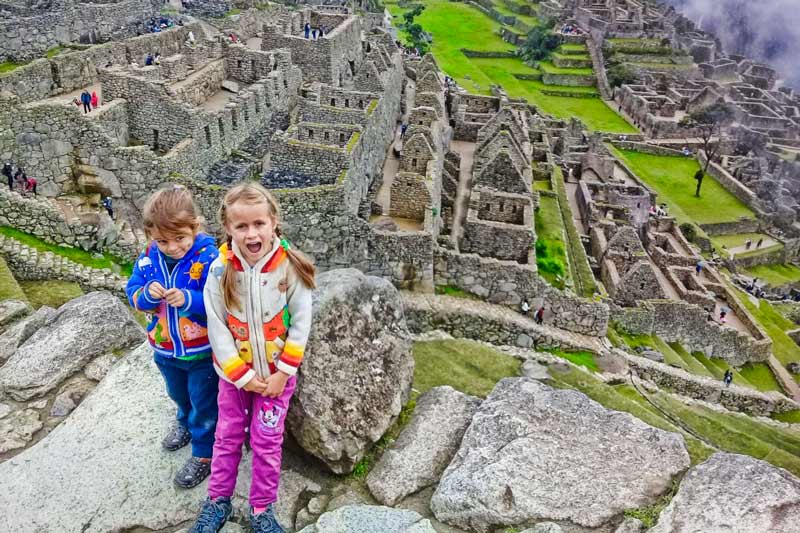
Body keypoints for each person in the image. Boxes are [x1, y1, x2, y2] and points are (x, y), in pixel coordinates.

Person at [188, 182, 315, 533]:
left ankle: (261, 509)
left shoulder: (289, 268)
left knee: (266, 441)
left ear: (274, 221)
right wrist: (240, 374)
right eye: (241, 226)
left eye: (258, 223)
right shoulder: (219, 270)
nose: (251, 233)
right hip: (235, 378)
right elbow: (217, 326)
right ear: (228, 228)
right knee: (227, 436)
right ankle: (218, 500)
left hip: (276, 378)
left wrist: (282, 373)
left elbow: (301, 324)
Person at [125, 186, 220, 489]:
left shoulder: (208, 258)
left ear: (194, 227)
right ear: (150, 235)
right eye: (162, 240)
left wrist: (190, 300)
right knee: (178, 394)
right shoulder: (147, 259)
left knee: (204, 402)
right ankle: (184, 423)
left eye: (180, 238)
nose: (172, 247)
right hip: (165, 349)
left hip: (201, 352)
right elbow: (133, 293)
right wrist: (146, 296)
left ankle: (204, 453)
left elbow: (221, 303)